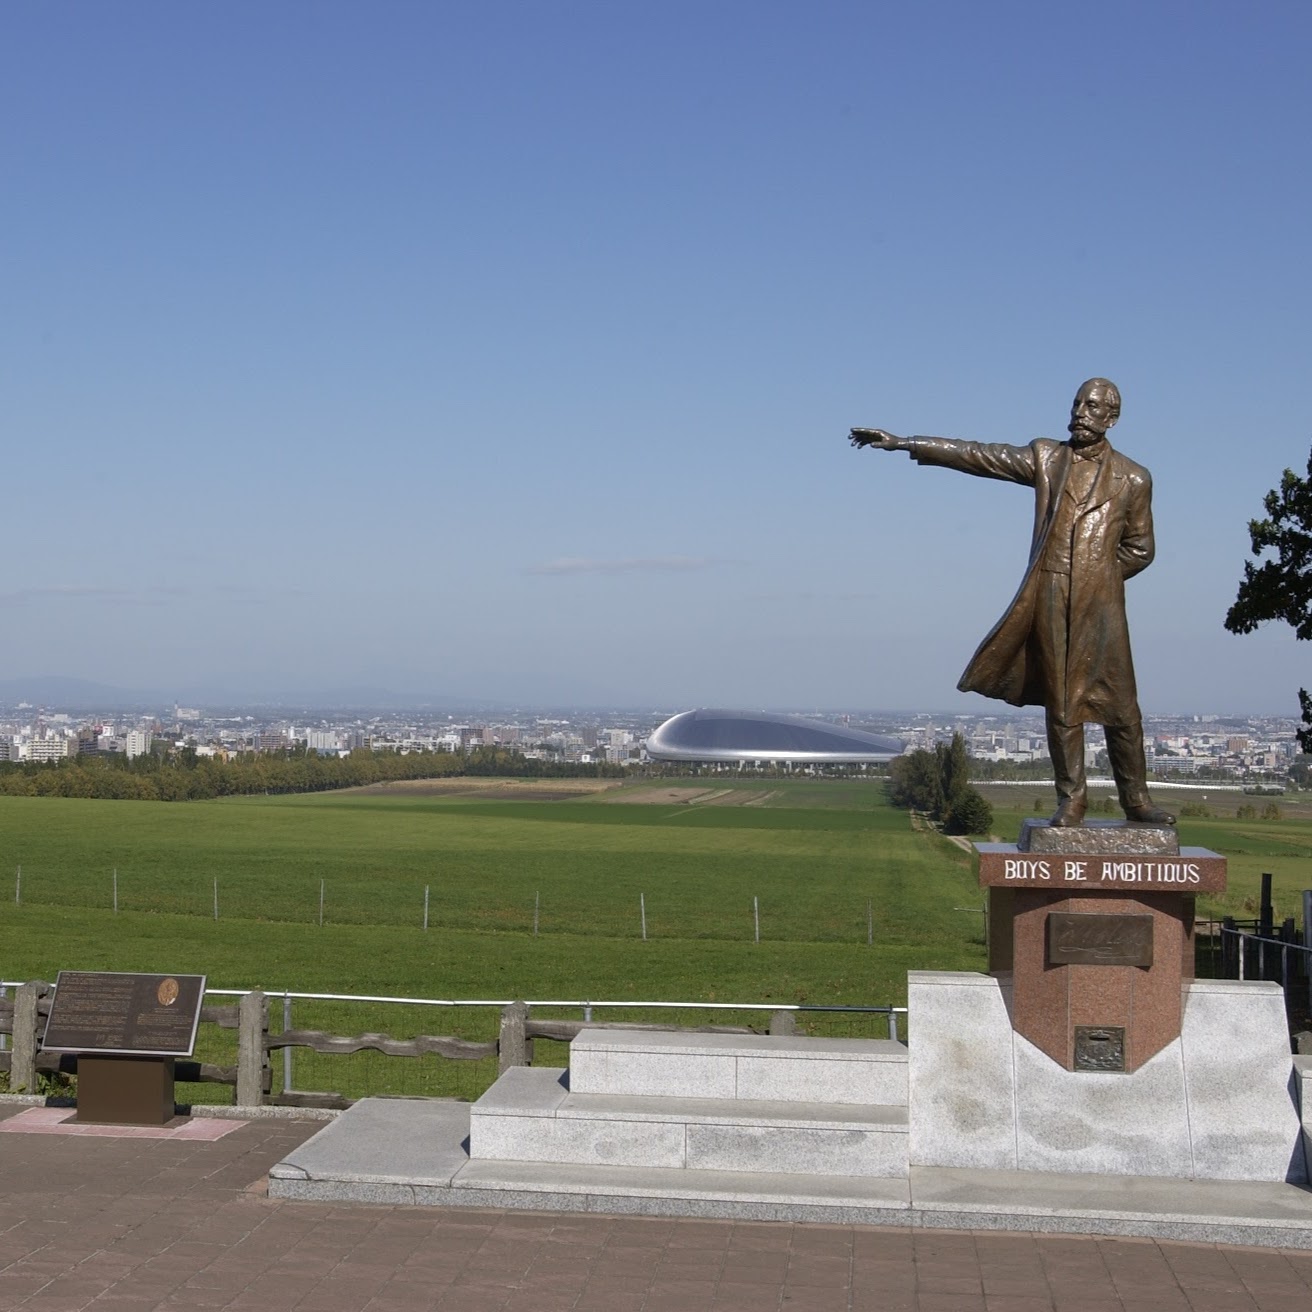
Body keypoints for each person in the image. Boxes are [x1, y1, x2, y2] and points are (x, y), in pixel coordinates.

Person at [851, 378, 1174, 827]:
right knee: (1063, 703)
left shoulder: (1134, 477)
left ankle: (1136, 800)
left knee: (1121, 705)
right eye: (1077, 403)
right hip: (1050, 595)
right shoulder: (1048, 457)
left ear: (1111, 417)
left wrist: (1097, 577)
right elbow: (980, 455)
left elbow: (1140, 549)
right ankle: (1072, 799)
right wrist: (907, 442)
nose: (1080, 412)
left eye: (1092, 406)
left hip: (1101, 607)